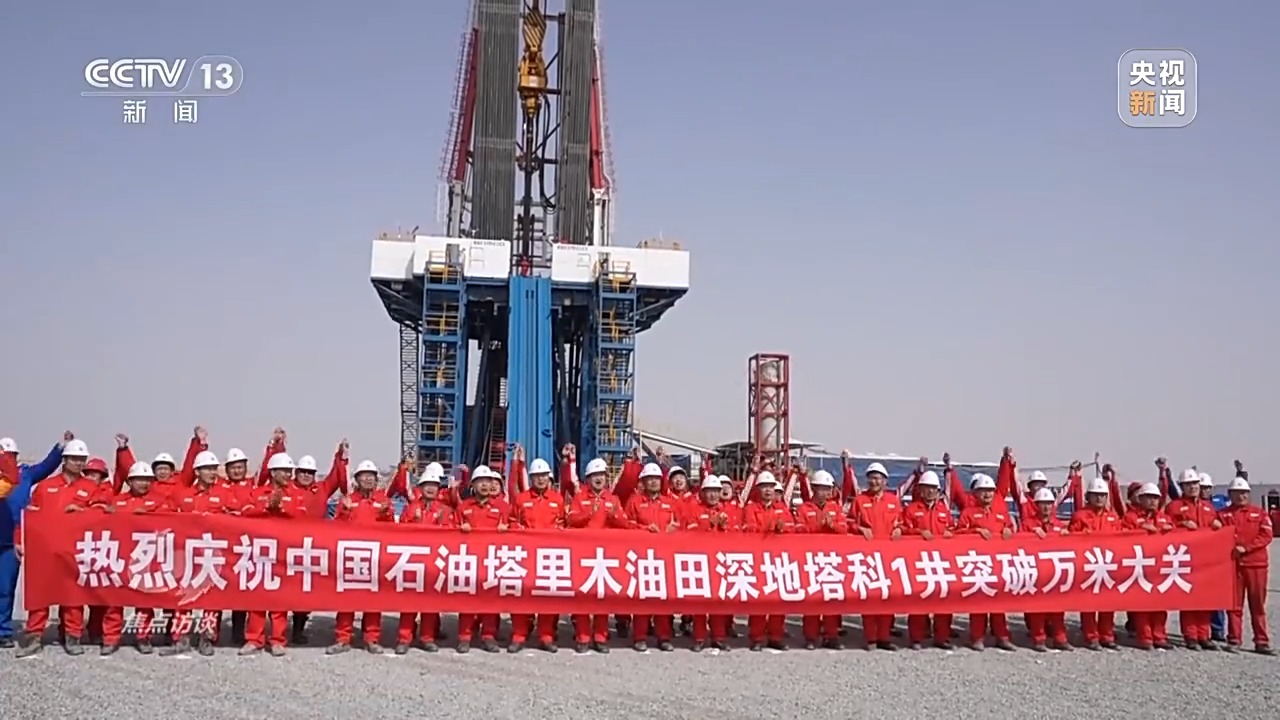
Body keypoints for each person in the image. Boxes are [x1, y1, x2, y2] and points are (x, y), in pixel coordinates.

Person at [14, 438, 93, 657]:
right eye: (74, 459)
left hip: (74, 552)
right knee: (40, 595)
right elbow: (28, 516)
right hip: (44, 551)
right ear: (64, 460)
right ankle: (34, 637)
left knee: (73, 596)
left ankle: (73, 637)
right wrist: (20, 539)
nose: (78, 463)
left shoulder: (90, 488)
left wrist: (84, 512)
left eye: (82, 459)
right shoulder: (45, 487)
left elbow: (103, 513)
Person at [0, 433, 68, 648]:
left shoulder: (24, 475)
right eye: (4, 455)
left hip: (11, 542)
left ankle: (3, 631)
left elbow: (46, 467)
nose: (7, 458)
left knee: (5, 589)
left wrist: (60, 448)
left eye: (11, 455)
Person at [239, 452, 309, 657]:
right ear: (272, 472)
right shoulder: (258, 493)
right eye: (284, 471)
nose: (288, 475)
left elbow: (302, 519)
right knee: (258, 598)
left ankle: (277, 640)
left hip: (284, 553)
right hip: (260, 552)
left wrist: (282, 509)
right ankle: (254, 639)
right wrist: (266, 507)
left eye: (289, 471)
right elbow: (245, 512)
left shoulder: (296, 495)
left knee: (280, 599)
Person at [97, 461, 168, 655]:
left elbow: (171, 521)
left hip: (146, 559)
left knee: (144, 601)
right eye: (139, 480)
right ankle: (110, 638)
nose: (144, 483)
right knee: (114, 600)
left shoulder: (159, 501)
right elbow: (101, 521)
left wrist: (150, 516)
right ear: (129, 481)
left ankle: (143, 637)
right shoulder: (117, 501)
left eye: (147, 480)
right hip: (120, 558)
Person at [327, 459, 393, 655]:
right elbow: (336, 528)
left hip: (375, 559)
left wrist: (386, 514)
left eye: (371, 476)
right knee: (347, 600)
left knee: (373, 601)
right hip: (351, 558)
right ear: (357, 479)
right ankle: (343, 638)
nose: (368, 479)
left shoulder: (383, 501)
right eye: (364, 475)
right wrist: (345, 511)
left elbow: (392, 531)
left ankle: (372, 638)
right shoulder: (347, 500)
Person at [566, 457, 631, 653]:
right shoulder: (580, 498)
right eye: (595, 475)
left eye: (601, 475)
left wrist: (614, 516)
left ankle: (600, 637)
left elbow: (625, 523)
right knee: (583, 597)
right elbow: (570, 519)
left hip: (605, 556)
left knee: (602, 597)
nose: (599, 478)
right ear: (588, 478)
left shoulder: (613, 500)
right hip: (583, 555)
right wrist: (588, 514)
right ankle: (583, 637)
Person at [508, 450, 566, 653]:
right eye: (536, 476)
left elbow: (563, 523)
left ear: (549, 477)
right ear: (531, 478)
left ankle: (546, 636)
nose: (541, 479)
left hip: (548, 557)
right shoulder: (521, 499)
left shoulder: (557, 499)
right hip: (525, 556)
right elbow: (512, 521)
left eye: (544, 476)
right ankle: (519, 635)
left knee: (547, 598)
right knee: (521, 596)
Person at [623, 460, 681, 652]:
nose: (654, 482)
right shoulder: (634, 501)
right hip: (642, 557)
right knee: (642, 599)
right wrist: (644, 529)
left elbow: (680, 525)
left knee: (662, 599)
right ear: (643, 481)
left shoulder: (669, 503)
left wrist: (674, 530)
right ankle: (639, 636)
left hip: (664, 558)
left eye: (656, 478)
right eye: (650, 479)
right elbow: (626, 525)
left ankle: (663, 637)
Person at [395, 466, 453, 654]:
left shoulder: (444, 510)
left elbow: (450, 536)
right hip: (413, 562)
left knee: (430, 604)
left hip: (434, 564)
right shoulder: (411, 508)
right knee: (409, 604)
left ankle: (427, 638)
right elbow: (400, 532)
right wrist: (415, 521)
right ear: (420, 487)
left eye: (434, 485)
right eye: (427, 485)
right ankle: (404, 638)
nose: (430, 488)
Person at [1163, 468, 1223, 650]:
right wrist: (1182, 524)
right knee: (1189, 598)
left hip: (1206, 560)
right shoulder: (1173, 507)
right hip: (1186, 558)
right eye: (1188, 484)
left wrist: (1218, 525)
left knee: (1206, 598)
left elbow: (1219, 528)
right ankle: (1191, 636)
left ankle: (1204, 635)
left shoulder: (1208, 507)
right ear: (1182, 486)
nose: (1193, 487)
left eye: (1195, 483)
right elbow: (1166, 529)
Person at [454, 465, 511, 653]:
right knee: (467, 601)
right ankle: (465, 637)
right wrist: (460, 531)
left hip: (492, 562)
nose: (485, 485)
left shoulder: (502, 508)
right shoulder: (463, 508)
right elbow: (450, 532)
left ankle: (488, 636)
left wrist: (506, 531)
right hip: (469, 562)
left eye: (488, 481)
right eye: (481, 481)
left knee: (490, 601)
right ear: (473, 485)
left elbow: (514, 530)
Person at [955, 473, 1016, 651]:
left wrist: (1009, 530)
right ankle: (977, 638)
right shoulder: (968, 513)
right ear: (975, 493)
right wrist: (975, 531)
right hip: (978, 565)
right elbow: (958, 533)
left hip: (998, 565)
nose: (987, 494)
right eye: (983, 491)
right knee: (978, 604)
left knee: (999, 604)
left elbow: (1011, 529)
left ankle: (1002, 637)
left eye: (990, 491)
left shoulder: (1001, 514)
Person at [1220, 476, 1274, 655]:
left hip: (1256, 565)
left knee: (1257, 605)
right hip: (1233, 566)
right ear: (1230, 495)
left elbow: (1266, 535)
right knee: (1234, 605)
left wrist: (1247, 548)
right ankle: (1234, 639)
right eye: (1236, 493)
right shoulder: (1222, 515)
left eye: (1244, 493)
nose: (1240, 496)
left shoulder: (1260, 513)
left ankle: (1261, 641)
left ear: (1248, 494)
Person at [900, 470, 954, 650]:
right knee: (918, 601)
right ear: (920, 490)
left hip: (941, 563)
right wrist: (918, 533)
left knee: (944, 602)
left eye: (933, 488)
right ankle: (916, 637)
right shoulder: (911, 510)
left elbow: (954, 530)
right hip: (919, 563)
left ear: (938, 491)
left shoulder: (943, 511)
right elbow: (902, 530)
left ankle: (942, 637)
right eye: (926, 488)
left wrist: (950, 534)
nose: (930, 491)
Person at [684, 474, 738, 651]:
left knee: (719, 602)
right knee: (700, 602)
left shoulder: (727, 511)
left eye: (716, 491)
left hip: (720, 563)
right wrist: (709, 523)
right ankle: (699, 637)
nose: (713, 495)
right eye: (709, 491)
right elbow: (689, 531)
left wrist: (724, 527)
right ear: (702, 493)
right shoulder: (694, 509)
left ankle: (719, 637)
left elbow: (737, 534)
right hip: (700, 562)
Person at [798, 469, 850, 649]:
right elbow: (798, 531)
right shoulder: (804, 508)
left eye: (827, 489)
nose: (825, 493)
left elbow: (844, 529)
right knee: (811, 601)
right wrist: (817, 527)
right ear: (813, 488)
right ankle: (811, 637)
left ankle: (831, 635)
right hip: (810, 561)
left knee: (832, 601)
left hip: (831, 561)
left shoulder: (835, 508)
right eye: (821, 488)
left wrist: (832, 526)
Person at [850, 461, 900, 650]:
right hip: (867, 557)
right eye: (871, 478)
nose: (874, 481)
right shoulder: (860, 500)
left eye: (878, 478)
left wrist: (899, 529)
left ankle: (884, 638)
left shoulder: (893, 501)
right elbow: (849, 522)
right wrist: (859, 528)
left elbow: (902, 522)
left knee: (888, 598)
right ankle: (871, 638)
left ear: (885, 481)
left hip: (889, 557)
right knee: (870, 598)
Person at [1068, 477, 1123, 650]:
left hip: (1108, 565)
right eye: (1095, 495)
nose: (1099, 498)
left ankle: (1107, 635)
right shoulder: (1080, 516)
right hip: (1088, 566)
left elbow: (1123, 540)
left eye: (1102, 495)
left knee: (1108, 602)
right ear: (1088, 496)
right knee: (1089, 603)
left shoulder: (1112, 517)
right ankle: (1091, 636)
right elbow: (1070, 541)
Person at [742, 471, 792, 652]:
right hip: (758, 560)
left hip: (778, 561)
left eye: (771, 487)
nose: (768, 490)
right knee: (759, 601)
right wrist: (769, 529)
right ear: (758, 489)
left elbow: (793, 530)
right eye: (764, 487)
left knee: (778, 601)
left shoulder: (782, 509)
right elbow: (749, 530)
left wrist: (783, 529)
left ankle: (775, 637)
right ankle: (756, 637)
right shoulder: (750, 509)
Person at [1122, 482, 1174, 650]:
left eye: (1155, 498)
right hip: (1140, 567)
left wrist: (1172, 530)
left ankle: (1159, 636)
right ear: (1140, 499)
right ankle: (1145, 638)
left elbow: (1178, 538)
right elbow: (1121, 536)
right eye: (1148, 497)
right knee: (1142, 604)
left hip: (1160, 567)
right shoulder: (1131, 517)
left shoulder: (1165, 519)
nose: (1152, 501)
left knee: (1161, 603)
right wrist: (1139, 528)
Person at [1020, 487, 1071, 651]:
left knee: (1057, 608)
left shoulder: (1059, 526)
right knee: (1037, 608)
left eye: (1049, 503)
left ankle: (1060, 638)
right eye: (1042, 503)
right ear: (1036, 505)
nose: (1046, 507)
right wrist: (1030, 535)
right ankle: (1039, 639)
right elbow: (1018, 545)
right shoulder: (1027, 524)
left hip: (1055, 573)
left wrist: (1067, 537)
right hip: (1036, 572)